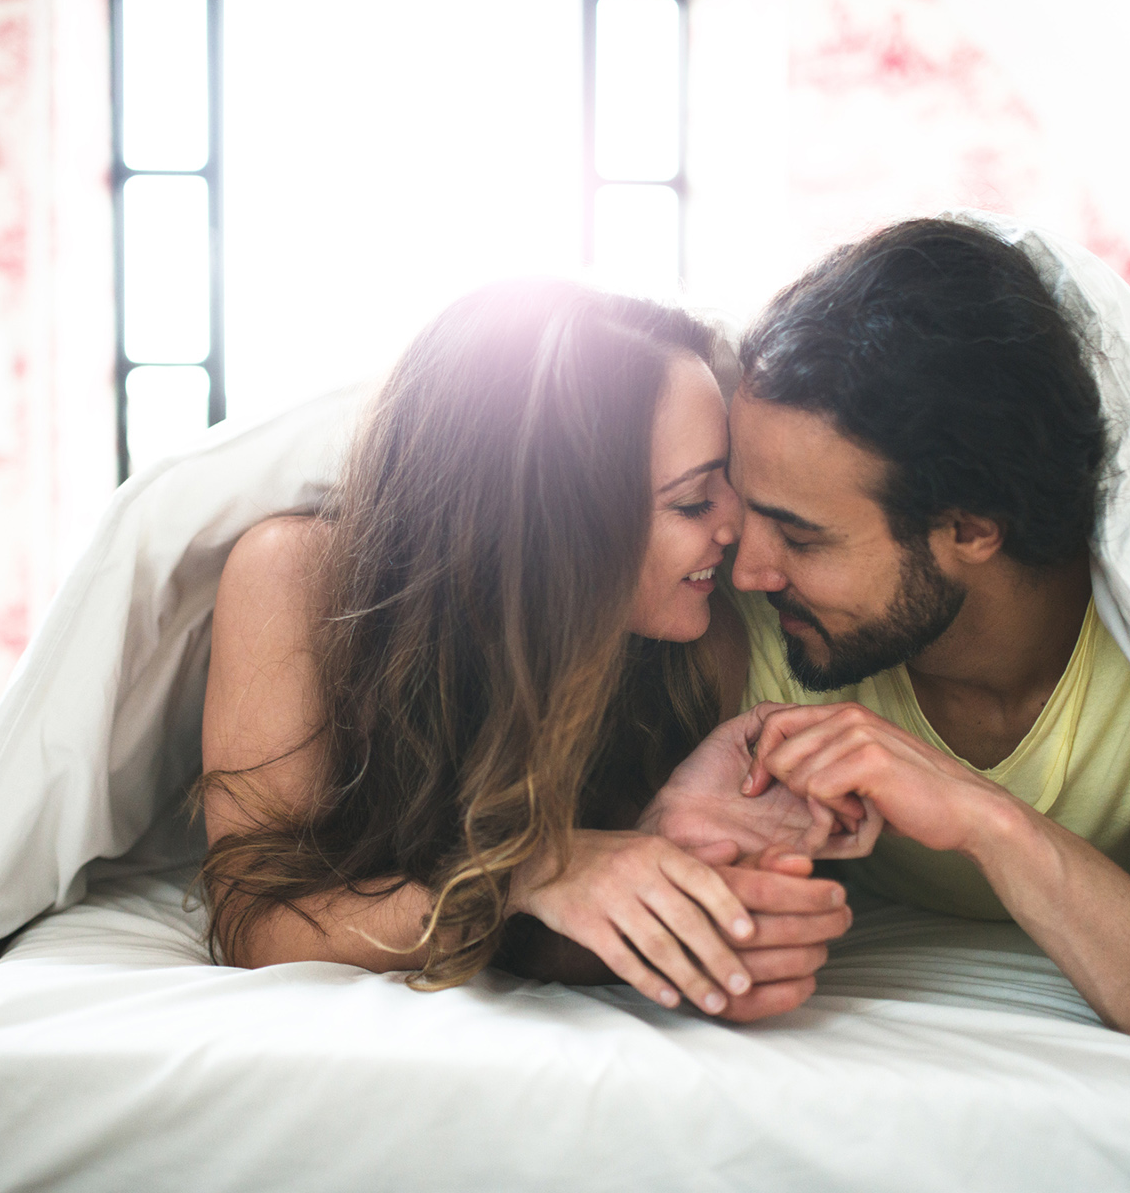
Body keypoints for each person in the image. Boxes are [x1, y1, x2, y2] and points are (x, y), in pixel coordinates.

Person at [644, 218, 1130, 1064]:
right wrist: (666, 838)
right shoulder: (741, 627)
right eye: (746, 511)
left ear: (971, 528)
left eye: (801, 539)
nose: (749, 571)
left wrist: (987, 821)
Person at [194, 279, 864, 1024]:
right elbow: (257, 927)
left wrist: (683, 880)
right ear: (553, 524)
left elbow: (552, 932)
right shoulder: (296, 577)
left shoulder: (697, 642)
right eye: (692, 500)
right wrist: (530, 871)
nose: (738, 529)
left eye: (728, 482)